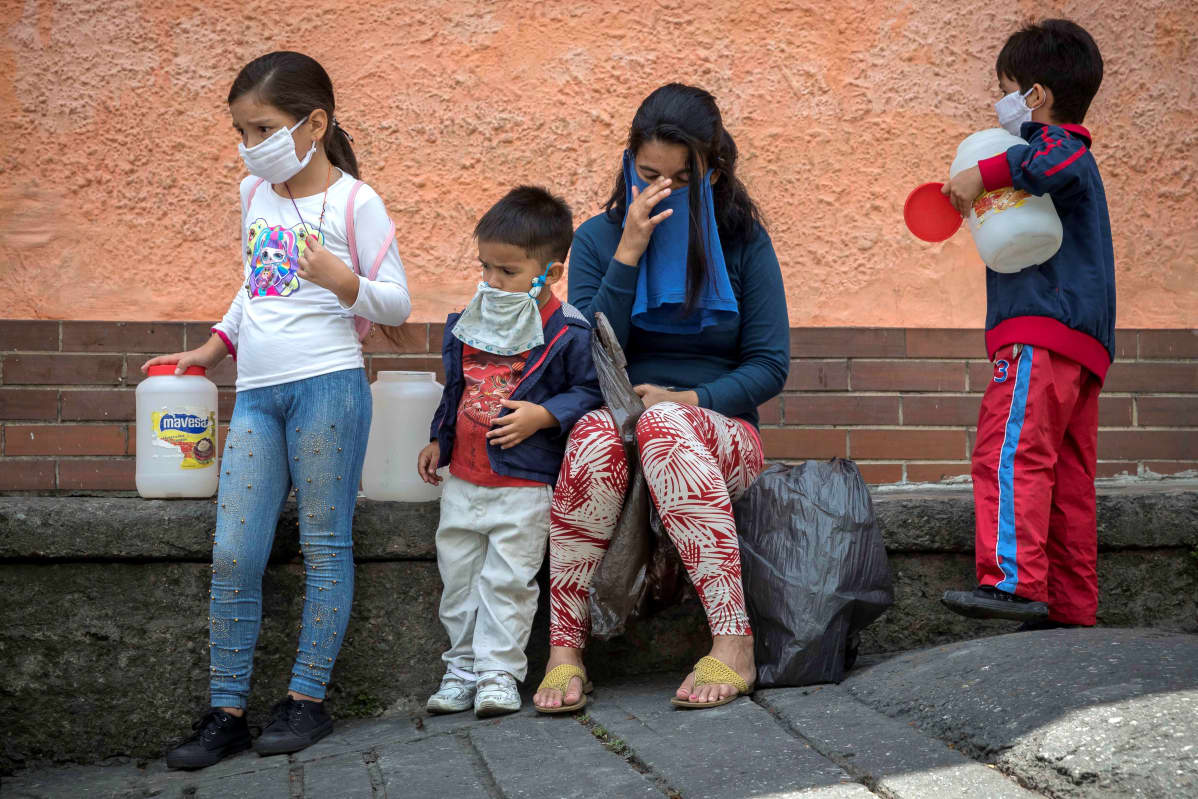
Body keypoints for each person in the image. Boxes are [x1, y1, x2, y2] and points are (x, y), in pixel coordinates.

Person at [148, 51, 412, 769]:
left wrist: (343, 278)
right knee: (234, 550)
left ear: (314, 123)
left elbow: (397, 302)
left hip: (329, 384)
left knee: (326, 542)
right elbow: (253, 284)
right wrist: (213, 346)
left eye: (260, 127)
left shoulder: (358, 202)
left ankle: (306, 698)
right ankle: (225, 709)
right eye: (239, 129)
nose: (247, 143)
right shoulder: (251, 193)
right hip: (258, 393)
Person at [533, 83, 789, 713]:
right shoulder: (597, 238)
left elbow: (769, 364)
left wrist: (691, 396)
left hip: (718, 436)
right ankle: (565, 652)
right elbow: (587, 353)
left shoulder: (743, 242)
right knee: (594, 434)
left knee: (668, 424)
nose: (665, 188)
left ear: (712, 169)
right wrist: (628, 252)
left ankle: (734, 643)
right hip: (619, 423)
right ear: (628, 163)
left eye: (683, 177)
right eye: (650, 174)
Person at [940, 20, 1112, 630]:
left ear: (1035, 95)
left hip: (1042, 331)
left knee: (1009, 451)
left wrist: (981, 175)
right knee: (1066, 473)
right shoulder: (1047, 160)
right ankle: (1070, 603)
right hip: (1080, 345)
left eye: (1008, 88)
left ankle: (1012, 582)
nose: (1003, 101)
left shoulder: (1060, 147)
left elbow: (1055, 156)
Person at [418, 187, 603, 718]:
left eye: (508, 272)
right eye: (486, 269)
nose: (493, 282)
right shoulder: (469, 322)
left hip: (523, 486)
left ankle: (499, 673)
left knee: (508, 581)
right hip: (464, 481)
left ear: (552, 272)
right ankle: (460, 669)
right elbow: (455, 387)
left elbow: (591, 391)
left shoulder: (567, 332)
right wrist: (440, 440)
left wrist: (545, 414)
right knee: (458, 578)